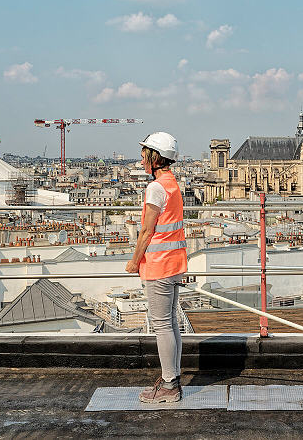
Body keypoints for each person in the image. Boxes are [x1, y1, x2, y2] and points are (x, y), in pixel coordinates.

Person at [125, 132, 187, 403]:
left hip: (159, 265)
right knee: (171, 323)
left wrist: (134, 261)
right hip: (175, 262)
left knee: (162, 325)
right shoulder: (172, 183)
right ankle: (171, 378)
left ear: (155, 157)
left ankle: (169, 385)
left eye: (144, 154)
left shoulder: (155, 188)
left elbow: (147, 231)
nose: (141, 160)